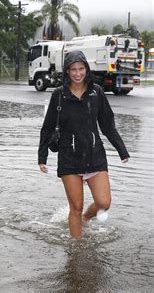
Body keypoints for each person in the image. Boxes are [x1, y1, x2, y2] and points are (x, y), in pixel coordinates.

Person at [38, 50, 129, 239]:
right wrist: (42, 157)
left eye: (81, 69)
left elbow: (107, 124)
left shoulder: (97, 92)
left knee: (104, 203)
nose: (77, 74)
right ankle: (76, 251)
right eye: (73, 69)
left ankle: (87, 217)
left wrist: (121, 150)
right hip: (69, 157)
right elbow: (47, 128)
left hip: (95, 155)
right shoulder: (59, 95)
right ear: (67, 71)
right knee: (76, 207)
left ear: (86, 70)